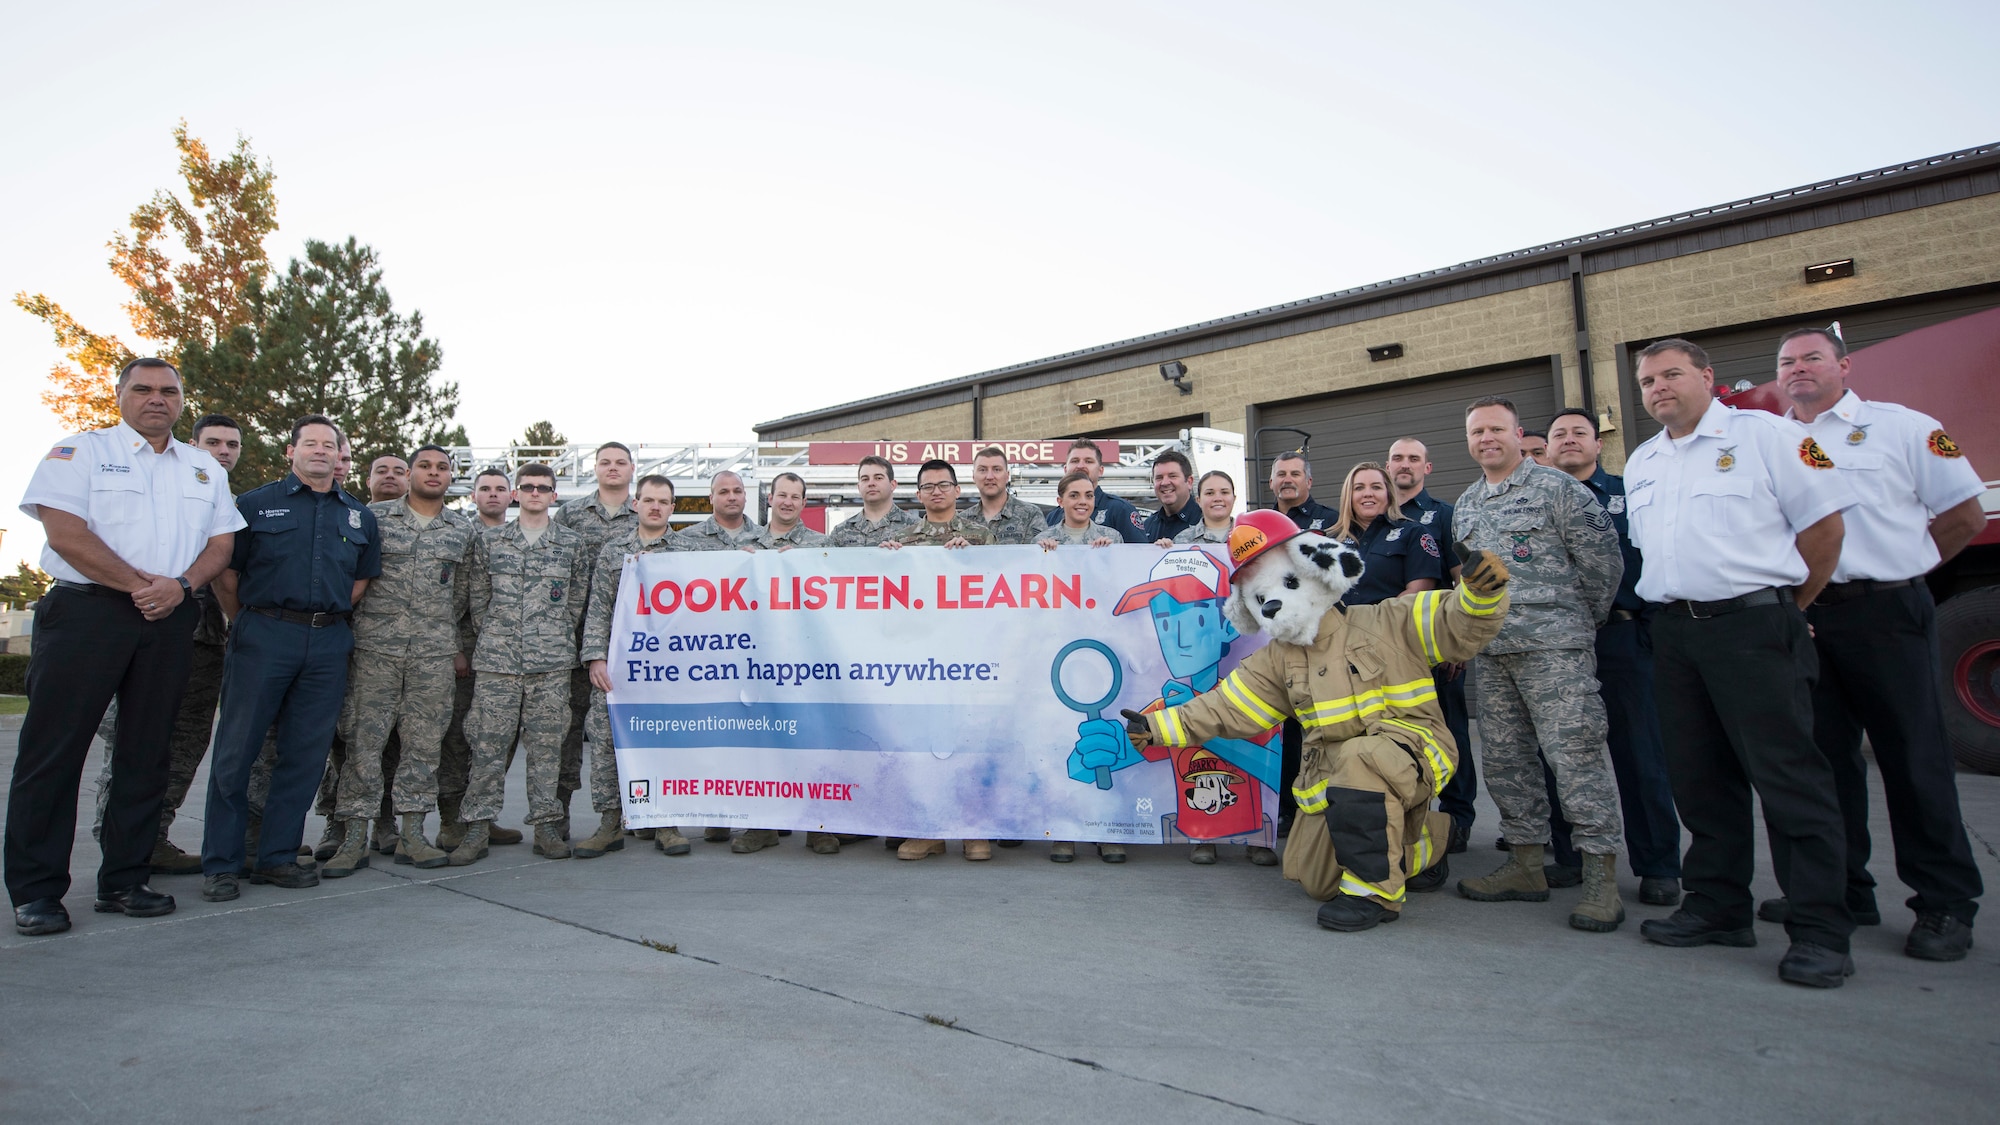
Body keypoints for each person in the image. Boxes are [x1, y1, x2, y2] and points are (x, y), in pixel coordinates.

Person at [1126, 512, 1512, 932]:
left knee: (1363, 759)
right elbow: (1226, 707)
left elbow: (1458, 622)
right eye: (1260, 597)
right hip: (1335, 780)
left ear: (1316, 572)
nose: (1273, 602)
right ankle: (1423, 846)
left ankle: (1374, 894)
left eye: (1287, 583)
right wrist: (1156, 728)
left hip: (1412, 748)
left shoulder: (1389, 620)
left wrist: (1479, 593)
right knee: (1313, 876)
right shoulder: (1277, 660)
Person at [1623, 338, 1859, 989]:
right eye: (1647, 380)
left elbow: (1825, 532)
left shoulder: (1768, 437)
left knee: (1790, 781)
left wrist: (1783, 609)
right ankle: (1719, 905)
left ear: (1707, 375)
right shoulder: (1643, 460)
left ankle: (1819, 927)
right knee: (1699, 779)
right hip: (1674, 633)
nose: (1658, 387)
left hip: (1755, 627)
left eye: (1671, 373)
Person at [1774, 326, 1984, 962]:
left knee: (1913, 757)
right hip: (1809, 617)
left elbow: (1965, 517)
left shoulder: (1905, 427)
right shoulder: (1772, 440)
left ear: (1844, 365)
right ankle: (1844, 889)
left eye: (1812, 357)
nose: (1798, 369)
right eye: (1787, 362)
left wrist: (1903, 572)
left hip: (1887, 611)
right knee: (1825, 763)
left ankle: (1944, 902)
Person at [9, 359, 240, 936]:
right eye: (143, 389)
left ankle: (124, 880)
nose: (156, 399)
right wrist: (146, 586)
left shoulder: (203, 469)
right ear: (120, 395)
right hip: (88, 613)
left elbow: (221, 544)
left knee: (147, 752)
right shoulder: (80, 452)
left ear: (182, 400)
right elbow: (65, 533)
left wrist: (181, 587)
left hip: (168, 617)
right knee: (53, 752)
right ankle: (37, 892)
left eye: (169, 391)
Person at [1452, 396, 1628, 933]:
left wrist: (1572, 624)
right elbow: (1469, 580)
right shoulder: (1466, 504)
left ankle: (1601, 879)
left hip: (1556, 653)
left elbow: (1604, 565)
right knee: (1506, 763)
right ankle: (1526, 865)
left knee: (1576, 760)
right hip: (1494, 655)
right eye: (1477, 431)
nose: (1487, 439)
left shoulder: (1559, 489)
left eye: (1497, 429)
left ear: (1518, 432)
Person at [200, 414, 379, 904]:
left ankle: (277, 857)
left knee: (303, 756)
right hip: (263, 634)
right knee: (237, 753)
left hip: (326, 642)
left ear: (340, 455)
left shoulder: (359, 517)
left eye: (330, 444)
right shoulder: (254, 506)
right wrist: (252, 624)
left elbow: (359, 582)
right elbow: (226, 575)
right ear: (290, 451)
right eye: (311, 443)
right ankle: (223, 863)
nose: (320, 451)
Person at [89, 412, 244, 877]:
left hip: (207, 640)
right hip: (149, 624)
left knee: (186, 743)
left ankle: (153, 836)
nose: (223, 452)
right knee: (131, 740)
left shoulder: (226, 501)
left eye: (232, 445)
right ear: (192, 445)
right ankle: (114, 839)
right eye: (213, 443)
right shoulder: (172, 491)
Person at [1543, 408, 1683, 907]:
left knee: (1640, 755)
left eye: (1579, 432)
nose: (1569, 441)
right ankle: (1571, 856)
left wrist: (1649, 631)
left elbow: (1659, 555)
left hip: (1621, 641)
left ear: (1597, 444)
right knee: (1561, 755)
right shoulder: (1529, 503)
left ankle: (1658, 865)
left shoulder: (1628, 495)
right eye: (1559, 434)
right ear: (1547, 446)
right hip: (1555, 645)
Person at [319, 445, 474, 876]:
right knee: (362, 745)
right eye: (424, 465)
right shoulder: (375, 520)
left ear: (450, 477)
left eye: (442, 467)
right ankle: (353, 838)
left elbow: (461, 595)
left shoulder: (462, 531)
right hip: (374, 651)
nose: (433, 472)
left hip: (432, 655)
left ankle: (412, 834)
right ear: (410, 474)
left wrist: (446, 638)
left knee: (423, 747)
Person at [454, 463, 592, 865]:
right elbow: (478, 600)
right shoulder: (491, 542)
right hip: (498, 662)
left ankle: (547, 824)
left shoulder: (571, 544)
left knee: (547, 746)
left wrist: (549, 636)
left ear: (553, 495)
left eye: (543, 487)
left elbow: (575, 603)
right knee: (487, 746)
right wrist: (500, 636)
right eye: (528, 487)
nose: (535, 493)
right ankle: (478, 825)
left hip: (550, 663)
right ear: (517, 494)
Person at [881, 461, 999, 860]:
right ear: (917, 494)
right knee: (923, 746)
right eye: (927, 486)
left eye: (943, 485)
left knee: (972, 741)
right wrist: (884, 561)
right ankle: (929, 830)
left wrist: (973, 562)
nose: (936, 492)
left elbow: (1005, 590)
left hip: (970, 659)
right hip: (920, 661)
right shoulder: (900, 541)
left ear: (956, 490)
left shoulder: (982, 538)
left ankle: (974, 831)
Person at [578, 475, 689, 858]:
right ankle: (611, 823)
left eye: (664, 501)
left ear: (673, 508)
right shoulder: (613, 551)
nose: (656, 506)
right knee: (609, 745)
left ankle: (666, 824)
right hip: (621, 667)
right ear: (636, 504)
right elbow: (598, 608)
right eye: (649, 500)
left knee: (666, 743)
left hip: (671, 669)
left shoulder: (688, 551)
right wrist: (595, 656)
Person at [1387, 437, 1476, 854]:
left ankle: (1457, 819)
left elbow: (1462, 580)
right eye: (1398, 459)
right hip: (1384, 654)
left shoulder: (1444, 516)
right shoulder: (1375, 517)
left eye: (1413, 459)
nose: (1405, 466)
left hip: (1433, 651)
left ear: (1428, 468)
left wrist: (1458, 643)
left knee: (1450, 732)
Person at [436, 468, 525, 851]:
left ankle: (482, 817)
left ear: (512, 496)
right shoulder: (460, 533)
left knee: (497, 740)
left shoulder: (520, 538)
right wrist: (456, 648)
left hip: (506, 655)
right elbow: (449, 600)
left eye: (500, 489)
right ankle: (452, 822)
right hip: (465, 653)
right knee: (458, 738)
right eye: (485, 489)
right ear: (473, 496)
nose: (493, 495)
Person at [553, 442, 638, 840]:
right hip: (570, 639)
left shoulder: (644, 516)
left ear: (632, 469)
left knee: (617, 733)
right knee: (565, 734)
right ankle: (557, 815)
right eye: (605, 462)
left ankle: (630, 816)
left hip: (622, 643)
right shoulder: (570, 514)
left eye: (620, 462)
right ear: (595, 469)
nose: (613, 468)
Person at [1038, 470, 1119, 863]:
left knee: (1104, 745)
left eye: (1088, 495)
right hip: (1055, 652)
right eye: (1073, 495)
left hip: (1099, 647)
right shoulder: (1040, 542)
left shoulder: (1112, 539)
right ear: (1061, 501)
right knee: (1058, 743)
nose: (1082, 501)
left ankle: (1106, 832)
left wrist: (1109, 556)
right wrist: (1042, 557)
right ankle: (1065, 831)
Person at [1265, 450, 1338, 836]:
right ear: (1272, 482)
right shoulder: (1257, 524)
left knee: (1316, 726)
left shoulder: (1330, 521)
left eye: (1295, 473)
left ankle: (1316, 812)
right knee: (1283, 728)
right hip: (1274, 642)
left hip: (1319, 642)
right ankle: (1282, 809)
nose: (1288, 479)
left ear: (1309, 481)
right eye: (1281, 474)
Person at [1329, 461, 1442, 605]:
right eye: (1359, 488)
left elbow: (1420, 591)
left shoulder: (1413, 533)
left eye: (1376, 487)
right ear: (1348, 496)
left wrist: (1375, 617)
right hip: (1338, 625)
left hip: (1390, 624)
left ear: (1388, 493)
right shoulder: (1330, 540)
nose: (1368, 494)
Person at [1041, 439, 1149, 543]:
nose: (1080, 466)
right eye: (1075, 461)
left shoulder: (1120, 509)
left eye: (1088, 461)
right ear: (1065, 469)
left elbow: (1138, 553)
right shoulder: (1053, 516)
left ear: (1100, 470)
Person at [828, 456, 918, 546]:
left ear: (892, 485)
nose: (871, 483)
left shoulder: (916, 527)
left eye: (878, 478)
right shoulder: (841, 532)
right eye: (865, 479)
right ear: (859, 487)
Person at [964, 447, 1047, 544]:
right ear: (973, 476)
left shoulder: (1030, 515)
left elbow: (1038, 555)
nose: (990, 477)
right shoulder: (963, 520)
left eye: (997, 469)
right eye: (982, 470)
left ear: (1007, 476)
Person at [755, 471, 829, 551]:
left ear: (803, 503)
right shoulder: (747, 541)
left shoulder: (822, 545)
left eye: (795, 497)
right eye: (782, 495)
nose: (788, 503)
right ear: (770, 499)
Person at [1140, 450, 1202, 544]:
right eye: (1159, 477)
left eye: (1172, 476)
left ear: (1189, 482)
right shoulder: (1147, 526)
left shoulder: (1205, 521)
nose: (1165, 483)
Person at [1172, 470, 1238, 546]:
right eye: (1209, 493)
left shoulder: (1251, 535)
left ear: (1234, 498)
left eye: (1224, 492)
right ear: (1198, 500)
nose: (1218, 498)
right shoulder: (1182, 541)